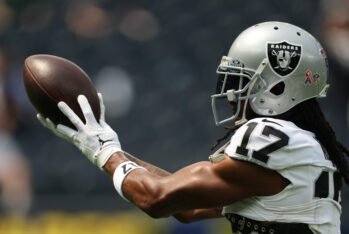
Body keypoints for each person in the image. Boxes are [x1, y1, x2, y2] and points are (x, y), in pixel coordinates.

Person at [37, 21, 349, 234]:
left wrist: (104, 151)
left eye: (242, 83)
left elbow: (157, 199)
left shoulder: (273, 138)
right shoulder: (299, 146)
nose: (230, 96)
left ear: (278, 88)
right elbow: (184, 207)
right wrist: (103, 141)